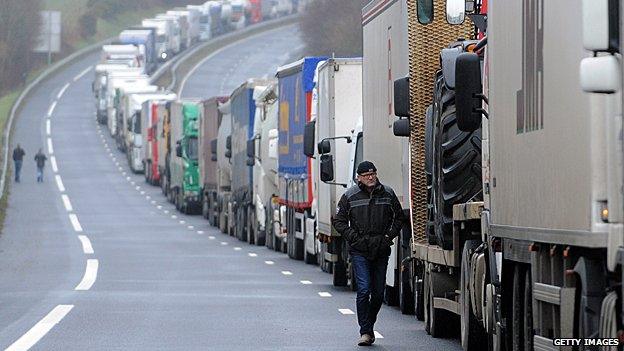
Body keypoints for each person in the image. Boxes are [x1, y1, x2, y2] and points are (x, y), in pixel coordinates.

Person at [332, 161, 405, 346]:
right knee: (363, 290)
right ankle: (365, 331)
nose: (370, 177)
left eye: (373, 173)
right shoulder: (349, 196)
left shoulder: (387, 193)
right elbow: (339, 221)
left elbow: (399, 218)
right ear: (359, 178)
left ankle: (369, 324)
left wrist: (388, 237)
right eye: (366, 175)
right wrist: (354, 238)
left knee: (379, 294)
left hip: (381, 250)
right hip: (359, 251)